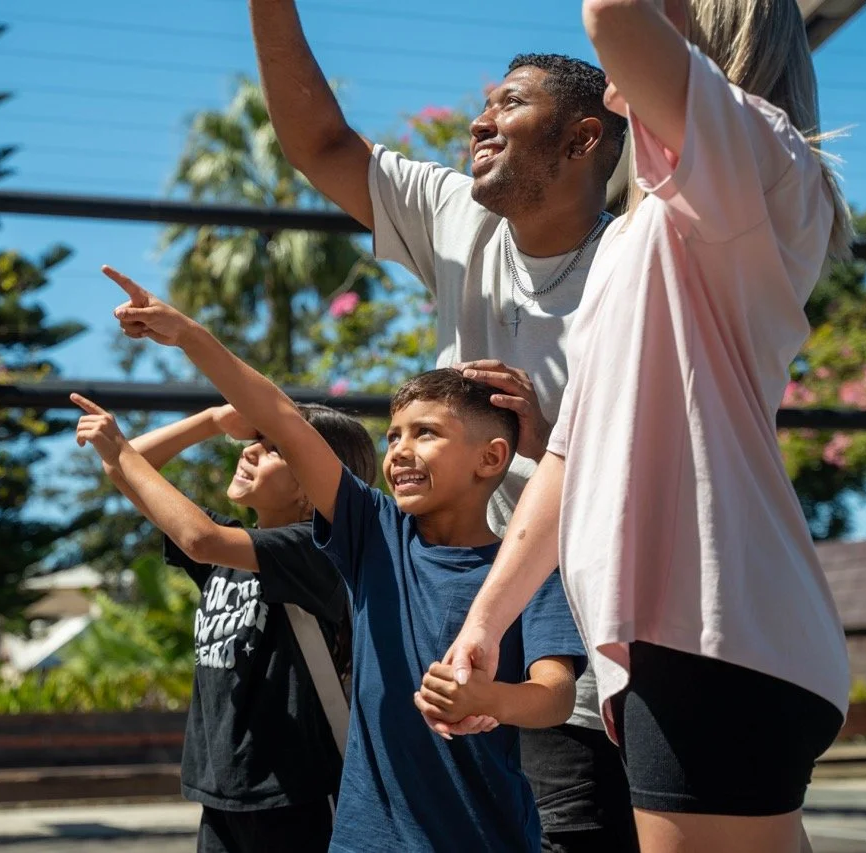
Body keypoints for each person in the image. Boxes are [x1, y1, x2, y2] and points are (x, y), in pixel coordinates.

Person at [446, 0, 855, 851]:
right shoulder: (648, 232)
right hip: (694, 637)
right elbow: (571, 450)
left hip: (714, 632)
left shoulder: (753, 152)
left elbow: (611, 16)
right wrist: (487, 619)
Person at [246, 2, 636, 847]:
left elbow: (668, 478)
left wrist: (550, 441)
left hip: (566, 659)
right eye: (484, 104)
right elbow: (320, 144)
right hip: (446, 643)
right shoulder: (460, 215)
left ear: (583, 140)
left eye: (510, 104)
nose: (479, 121)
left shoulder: (636, 266)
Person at [106, 264, 588, 853]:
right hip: (365, 840)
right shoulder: (374, 533)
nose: (400, 451)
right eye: (393, 436)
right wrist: (188, 335)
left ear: (490, 458)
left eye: (426, 433)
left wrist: (490, 700)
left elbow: (555, 695)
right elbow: (281, 417)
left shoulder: (528, 568)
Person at [72, 385, 376, 853]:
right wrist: (212, 420)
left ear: (313, 483)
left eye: (274, 449)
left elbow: (198, 538)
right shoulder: (229, 550)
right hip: (222, 791)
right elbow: (126, 470)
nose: (250, 451)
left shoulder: (316, 553)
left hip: (296, 794)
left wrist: (120, 449)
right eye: (257, 441)